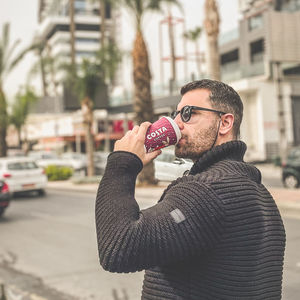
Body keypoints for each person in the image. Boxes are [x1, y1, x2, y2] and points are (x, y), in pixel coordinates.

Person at [95, 79, 286, 299]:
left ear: (225, 123)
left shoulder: (206, 190)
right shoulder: (259, 193)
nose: (177, 123)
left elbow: (118, 248)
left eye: (188, 113)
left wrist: (122, 163)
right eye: (175, 114)